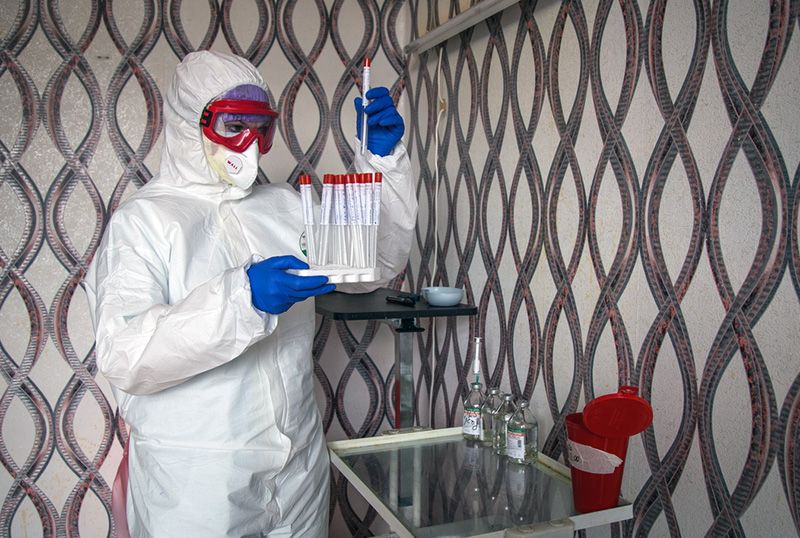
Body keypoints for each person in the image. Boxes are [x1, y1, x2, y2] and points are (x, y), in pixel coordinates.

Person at [84, 50, 417, 537]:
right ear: (190, 123)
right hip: (199, 480)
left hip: (298, 462)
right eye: (234, 125)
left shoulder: (283, 207)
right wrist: (242, 299)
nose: (251, 144)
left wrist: (383, 162)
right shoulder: (144, 223)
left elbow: (373, 264)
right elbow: (125, 356)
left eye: (261, 128)